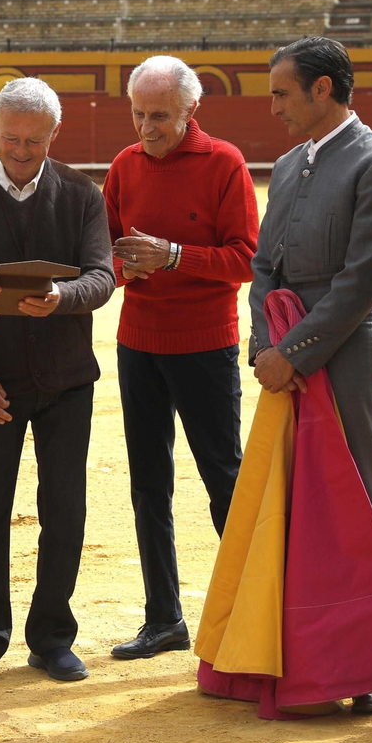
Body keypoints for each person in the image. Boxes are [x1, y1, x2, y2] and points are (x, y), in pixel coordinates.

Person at [0, 77, 115, 687]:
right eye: (11, 139)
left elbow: (102, 278)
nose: (22, 151)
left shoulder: (82, 194)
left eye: (35, 141)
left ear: (54, 134)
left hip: (67, 382)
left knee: (64, 510)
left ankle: (52, 637)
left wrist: (62, 296)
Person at [250, 36, 372, 714]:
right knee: (295, 494)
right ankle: (303, 652)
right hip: (283, 349)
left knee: (360, 491)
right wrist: (265, 346)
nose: (273, 106)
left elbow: (364, 276)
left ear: (322, 89)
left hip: (347, 350)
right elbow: (263, 267)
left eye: (282, 93)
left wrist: (294, 352)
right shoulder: (287, 164)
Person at [103, 55, 258, 661]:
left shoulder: (225, 162)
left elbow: (245, 258)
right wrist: (125, 269)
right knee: (149, 484)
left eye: (160, 116)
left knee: (224, 478)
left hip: (205, 345)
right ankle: (163, 617)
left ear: (191, 109)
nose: (147, 127)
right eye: (138, 114)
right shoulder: (124, 165)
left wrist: (172, 256)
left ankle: (254, 613)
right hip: (138, 343)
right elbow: (106, 257)